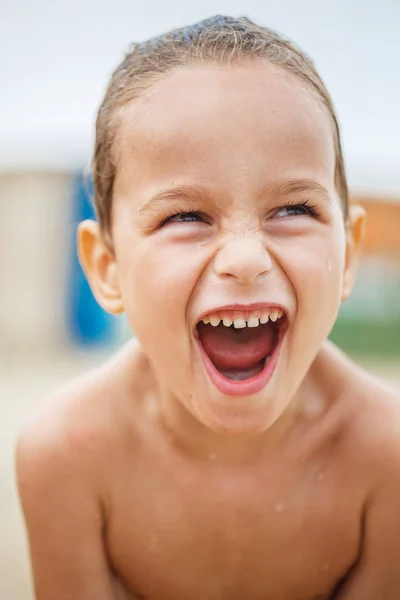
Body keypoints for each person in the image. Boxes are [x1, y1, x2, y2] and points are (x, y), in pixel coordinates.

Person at [16, 15, 400, 600]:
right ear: (106, 267)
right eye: (185, 216)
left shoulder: (385, 457)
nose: (245, 258)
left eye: (293, 209)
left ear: (347, 256)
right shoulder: (68, 458)